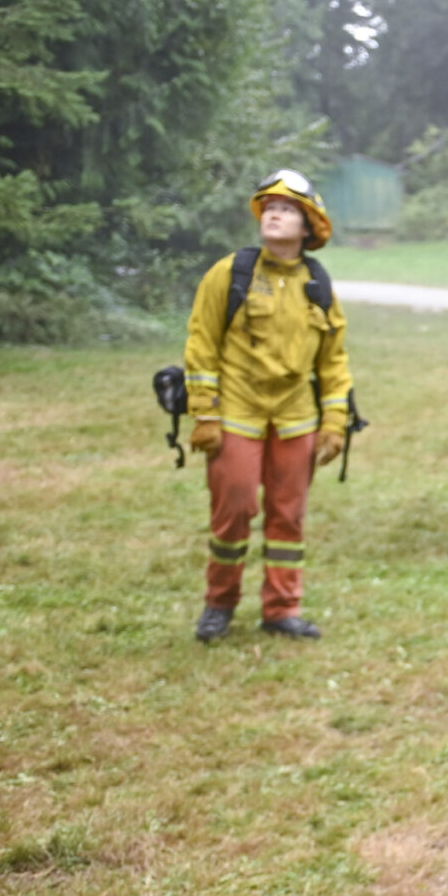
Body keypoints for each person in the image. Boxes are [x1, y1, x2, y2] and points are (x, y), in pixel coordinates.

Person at [183, 170, 354, 641]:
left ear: (308, 227)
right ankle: (219, 605)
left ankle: (282, 609)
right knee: (233, 510)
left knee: (288, 515)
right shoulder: (231, 273)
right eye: (270, 207)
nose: (275, 213)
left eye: (288, 209)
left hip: (297, 418)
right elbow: (201, 343)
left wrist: (335, 422)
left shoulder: (318, 284)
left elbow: (334, 360)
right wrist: (206, 413)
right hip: (236, 413)